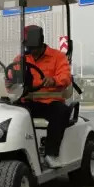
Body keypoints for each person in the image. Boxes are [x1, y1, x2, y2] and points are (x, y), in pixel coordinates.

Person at [8, 25, 72, 168]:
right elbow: (11, 78)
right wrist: (10, 80)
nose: (33, 52)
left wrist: (54, 80)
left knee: (61, 112)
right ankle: (14, 151)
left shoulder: (58, 57)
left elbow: (66, 77)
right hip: (28, 101)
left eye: (35, 48)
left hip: (50, 101)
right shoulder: (21, 58)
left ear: (42, 42)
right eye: (30, 49)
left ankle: (51, 154)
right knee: (7, 114)